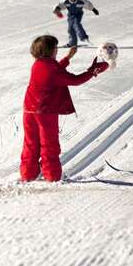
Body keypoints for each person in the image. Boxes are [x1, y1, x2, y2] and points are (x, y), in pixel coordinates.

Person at [21, 35, 109, 182]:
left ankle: (27, 175)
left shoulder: (38, 64)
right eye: (56, 47)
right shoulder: (53, 68)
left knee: (30, 143)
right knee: (49, 144)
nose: (57, 50)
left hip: (29, 110)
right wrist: (93, 70)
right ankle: (52, 176)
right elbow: (74, 80)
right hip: (45, 112)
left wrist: (68, 57)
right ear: (49, 50)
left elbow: (55, 70)